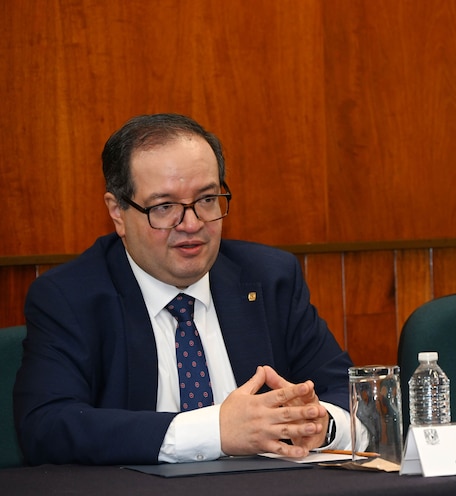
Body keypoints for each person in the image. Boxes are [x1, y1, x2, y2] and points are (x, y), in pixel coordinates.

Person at [14, 113, 362, 465]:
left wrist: (323, 425)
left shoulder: (271, 279)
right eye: (165, 207)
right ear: (117, 212)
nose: (192, 224)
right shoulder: (69, 297)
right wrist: (216, 431)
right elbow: (47, 427)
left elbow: (354, 397)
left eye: (207, 199)